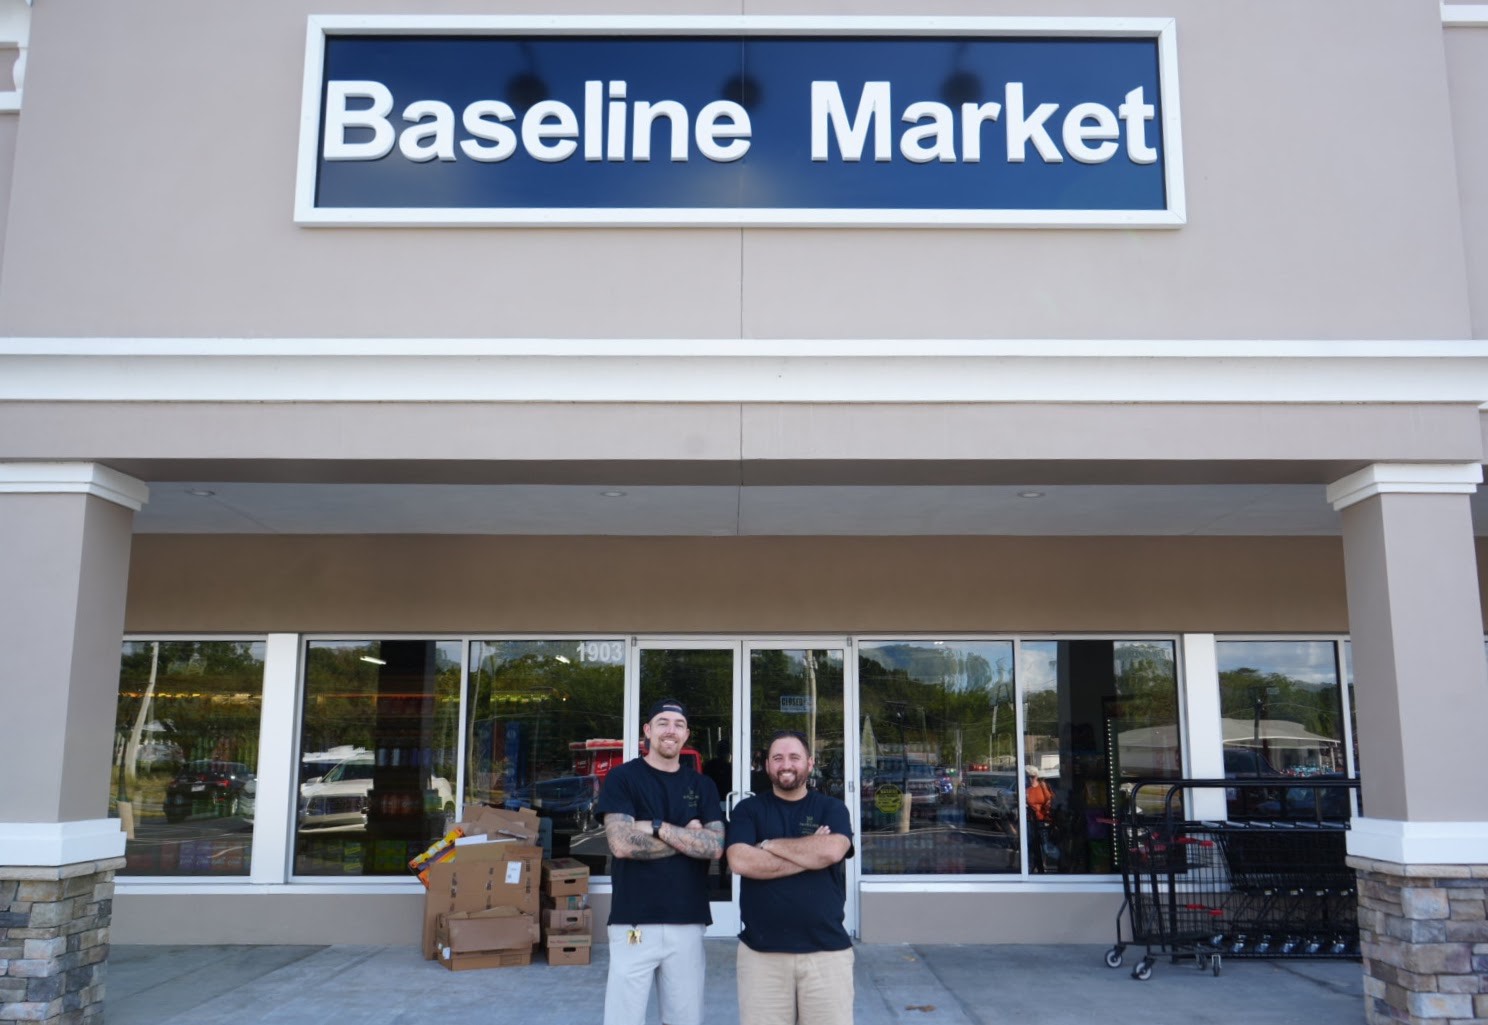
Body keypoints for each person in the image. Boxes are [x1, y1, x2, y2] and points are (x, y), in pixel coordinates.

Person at [596, 699, 724, 1025]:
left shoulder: (702, 785)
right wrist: (688, 839)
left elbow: (715, 847)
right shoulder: (623, 778)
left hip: (688, 920)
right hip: (633, 920)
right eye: (663, 722)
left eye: (678, 725)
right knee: (624, 1018)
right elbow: (621, 843)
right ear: (648, 730)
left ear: (686, 734)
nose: (671, 730)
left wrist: (656, 827)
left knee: (684, 1019)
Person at [725, 730, 855, 1025]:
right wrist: (810, 854)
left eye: (794, 757)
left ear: (810, 763)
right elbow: (740, 860)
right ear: (767, 765)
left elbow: (833, 850)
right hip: (761, 955)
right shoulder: (748, 809)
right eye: (778, 758)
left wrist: (769, 845)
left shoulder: (831, 808)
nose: (786, 764)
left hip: (827, 954)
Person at [1025, 769, 1055, 872]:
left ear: (1037, 776)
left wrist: (1047, 809)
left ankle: (1043, 865)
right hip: (1030, 820)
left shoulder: (1042, 786)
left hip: (1043, 819)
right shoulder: (1025, 789)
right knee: (1031, 845)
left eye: (1032, 776)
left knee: (1045, 846)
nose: (1030, 779)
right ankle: (1035, 867)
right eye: (1027, 776)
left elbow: (1050, 800)